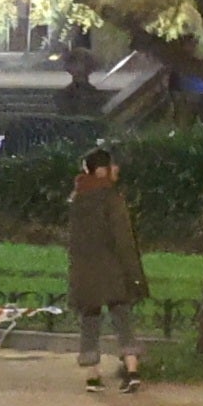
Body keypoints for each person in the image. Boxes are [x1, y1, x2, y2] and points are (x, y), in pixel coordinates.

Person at [64, 149, 145, 391]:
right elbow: (123, 238)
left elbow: (74, 241)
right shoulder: (111, 198)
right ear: (102, 170)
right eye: (112, 166)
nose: (116, 170)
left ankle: (93, 374)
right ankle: (132, 371)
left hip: (85, 271)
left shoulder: (77, 198)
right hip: (113, 269)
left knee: (90, 320)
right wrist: (135, 275)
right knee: (122, 317)